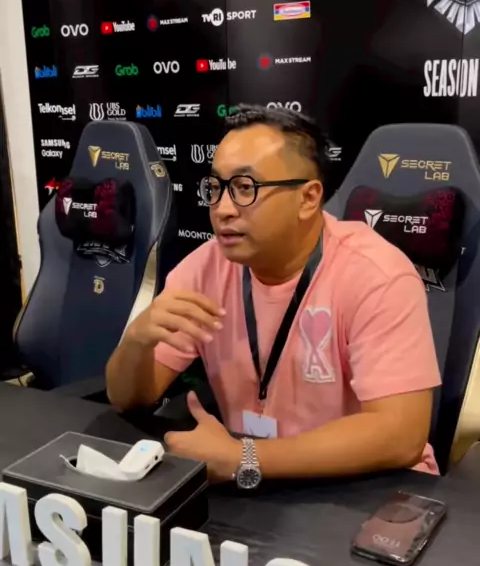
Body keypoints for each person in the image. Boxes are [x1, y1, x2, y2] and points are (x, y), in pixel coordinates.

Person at [106, 104, 441, 484]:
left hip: (370, 487)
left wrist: (245, 457)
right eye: (215, 188)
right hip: (255, 480)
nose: (222, 209)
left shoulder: (376, 275)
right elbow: (128, 397)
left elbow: (401, 436)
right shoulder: (203, 269)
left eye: (245, 188)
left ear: (308, 198)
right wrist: (136, 342)